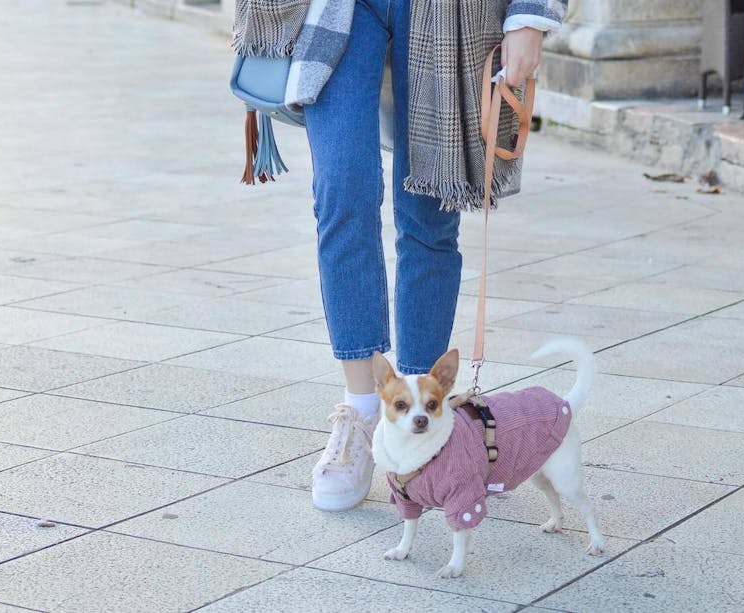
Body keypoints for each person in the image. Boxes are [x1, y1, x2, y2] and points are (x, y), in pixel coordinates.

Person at [236, 0, 568, 511]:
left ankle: (420, 414)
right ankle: (364, 408)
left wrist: (529, 17)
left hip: (451, 14)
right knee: (342, 193)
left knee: (431, 213)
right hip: (342, 9)